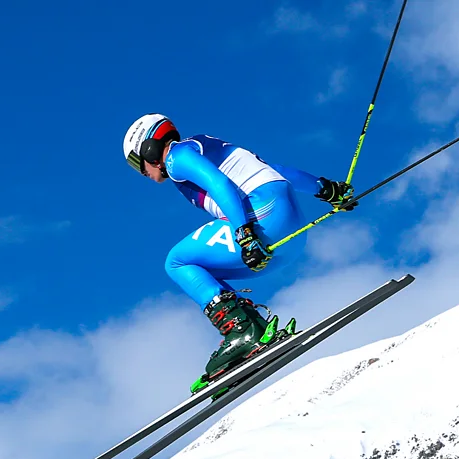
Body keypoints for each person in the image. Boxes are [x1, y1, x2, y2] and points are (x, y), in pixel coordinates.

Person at [122, 113, 356, 394]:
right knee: (204, 272)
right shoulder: (210, 146)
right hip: (292, 237)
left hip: (261, 222)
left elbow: (220, 185)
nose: (144, 173)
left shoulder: (176, 157)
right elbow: (278, 171)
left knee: (177, 262)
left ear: (149, 148)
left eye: (138, 164)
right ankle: (251, 329)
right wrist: (326, 189)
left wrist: (243, 233)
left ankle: (242, 332)